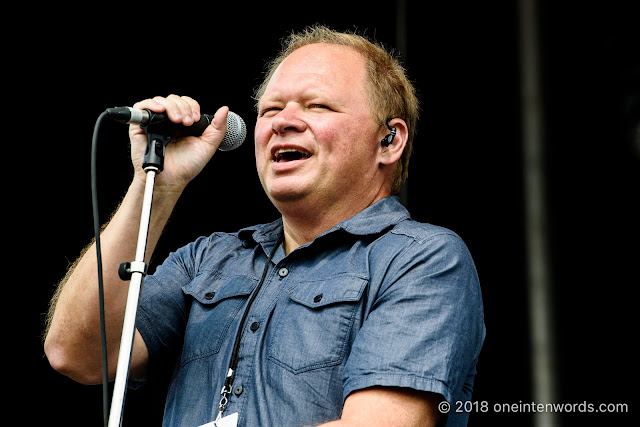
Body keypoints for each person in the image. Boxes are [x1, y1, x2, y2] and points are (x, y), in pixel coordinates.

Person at [44, 25, 485, 427]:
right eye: (270, 109)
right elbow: (77, 354)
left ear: (389, 140)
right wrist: (154, 186)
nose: (282, 122)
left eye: (317, 106)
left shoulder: (422, 258)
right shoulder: (207, 260)